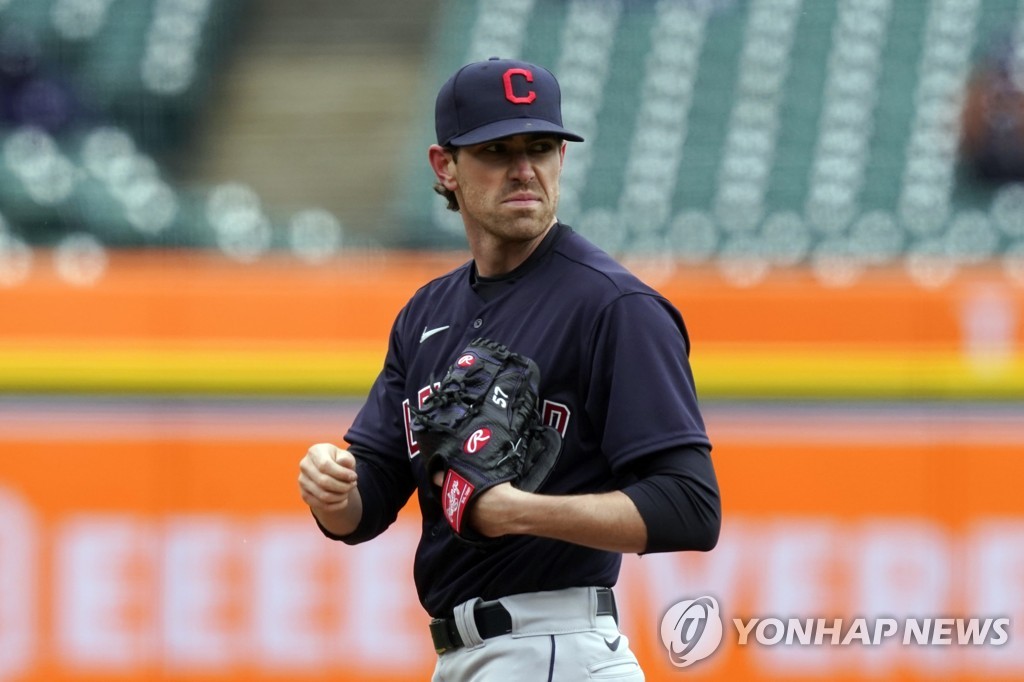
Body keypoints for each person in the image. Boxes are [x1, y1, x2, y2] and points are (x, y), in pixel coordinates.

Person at [298, 57, 721, 681]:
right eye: (497, 150)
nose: (525, 169)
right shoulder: (426, 313)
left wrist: (517, 510)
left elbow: (691, 507)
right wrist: (332, 488)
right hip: (465, 656)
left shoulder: (614, 305)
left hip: (557, 645)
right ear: (446, 167)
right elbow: (369, 504)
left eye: (541, 147)